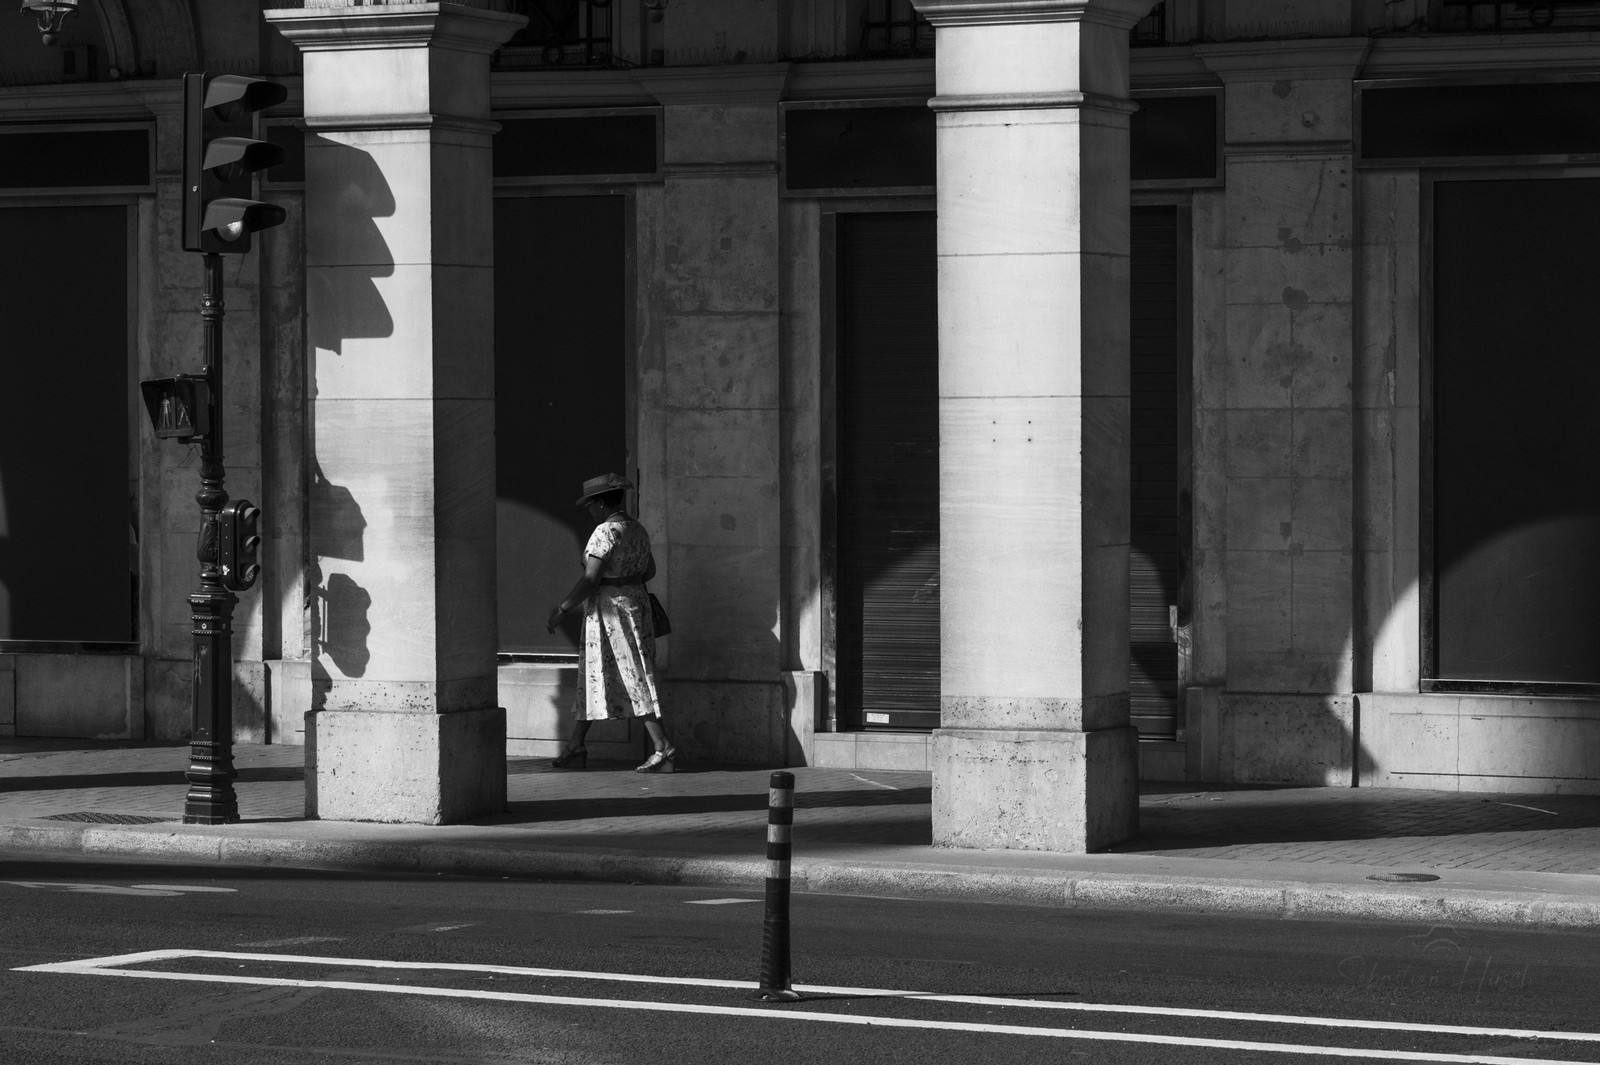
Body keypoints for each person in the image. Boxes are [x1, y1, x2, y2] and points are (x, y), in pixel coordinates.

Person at [545, 472, 677, 773]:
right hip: (636, 605)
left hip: (611, 612)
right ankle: (576, 744)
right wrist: (627, 581)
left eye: (590, 505)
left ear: (602, 503)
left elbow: (590, 579)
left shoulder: (605, 533)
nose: (589, 511)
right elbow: (650, 570)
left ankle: (663, 746)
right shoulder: (637, 529)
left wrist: (563, 609)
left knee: (632, 675)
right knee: (598, 674)